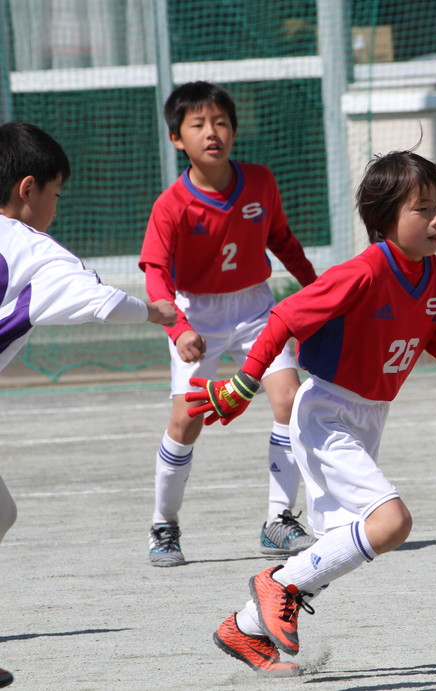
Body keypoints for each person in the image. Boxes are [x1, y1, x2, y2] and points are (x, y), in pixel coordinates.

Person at [184, 150, 436, 673]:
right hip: (325, 412)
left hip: (370, 417)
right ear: (384, 217)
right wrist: (245, 382)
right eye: (422, 208)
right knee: (392, 523)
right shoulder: (364, 271)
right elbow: (284, 317)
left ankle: (242, 627)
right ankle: (276, 584)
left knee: (343, 545)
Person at [0, 120, 178, 688]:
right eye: (56, 194)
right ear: (28, 189)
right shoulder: (33, 250)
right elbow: (102, 303)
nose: (57, 208)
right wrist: (155, 312)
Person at [139, 81, 320, 567]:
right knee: (186, 420)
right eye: (198, 124)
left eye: (220, 122)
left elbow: (283, 240)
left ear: (234, 131)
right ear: (176, 138)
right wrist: (178, 328)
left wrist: (318, 291)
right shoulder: (171, 205)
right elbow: (155, 272)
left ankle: (278, 520)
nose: (211, 132)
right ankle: (163, 523)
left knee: (289, 399)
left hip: (256, 309)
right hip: (196, 316)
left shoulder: (260, 181)